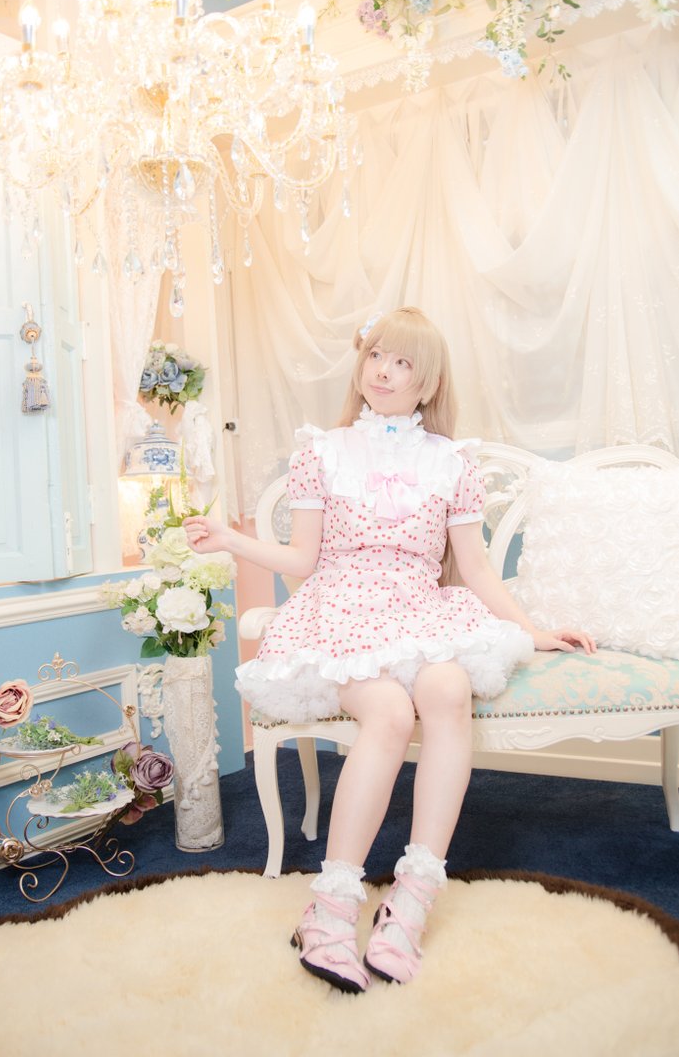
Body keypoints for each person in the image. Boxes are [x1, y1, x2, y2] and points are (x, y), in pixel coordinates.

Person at [183, 307, 595, 995]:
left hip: (418, 610)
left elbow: (476, 567)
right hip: (341, 612)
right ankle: (331, 906)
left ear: (427, 382)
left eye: (403, 362)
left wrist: (531, 630)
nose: (383, 371)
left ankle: (411, 901)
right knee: (389, 712)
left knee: (447, 691)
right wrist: (230, 540)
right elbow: (302, 558)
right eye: (376, 354)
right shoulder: (322, 452)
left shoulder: (451, 463)